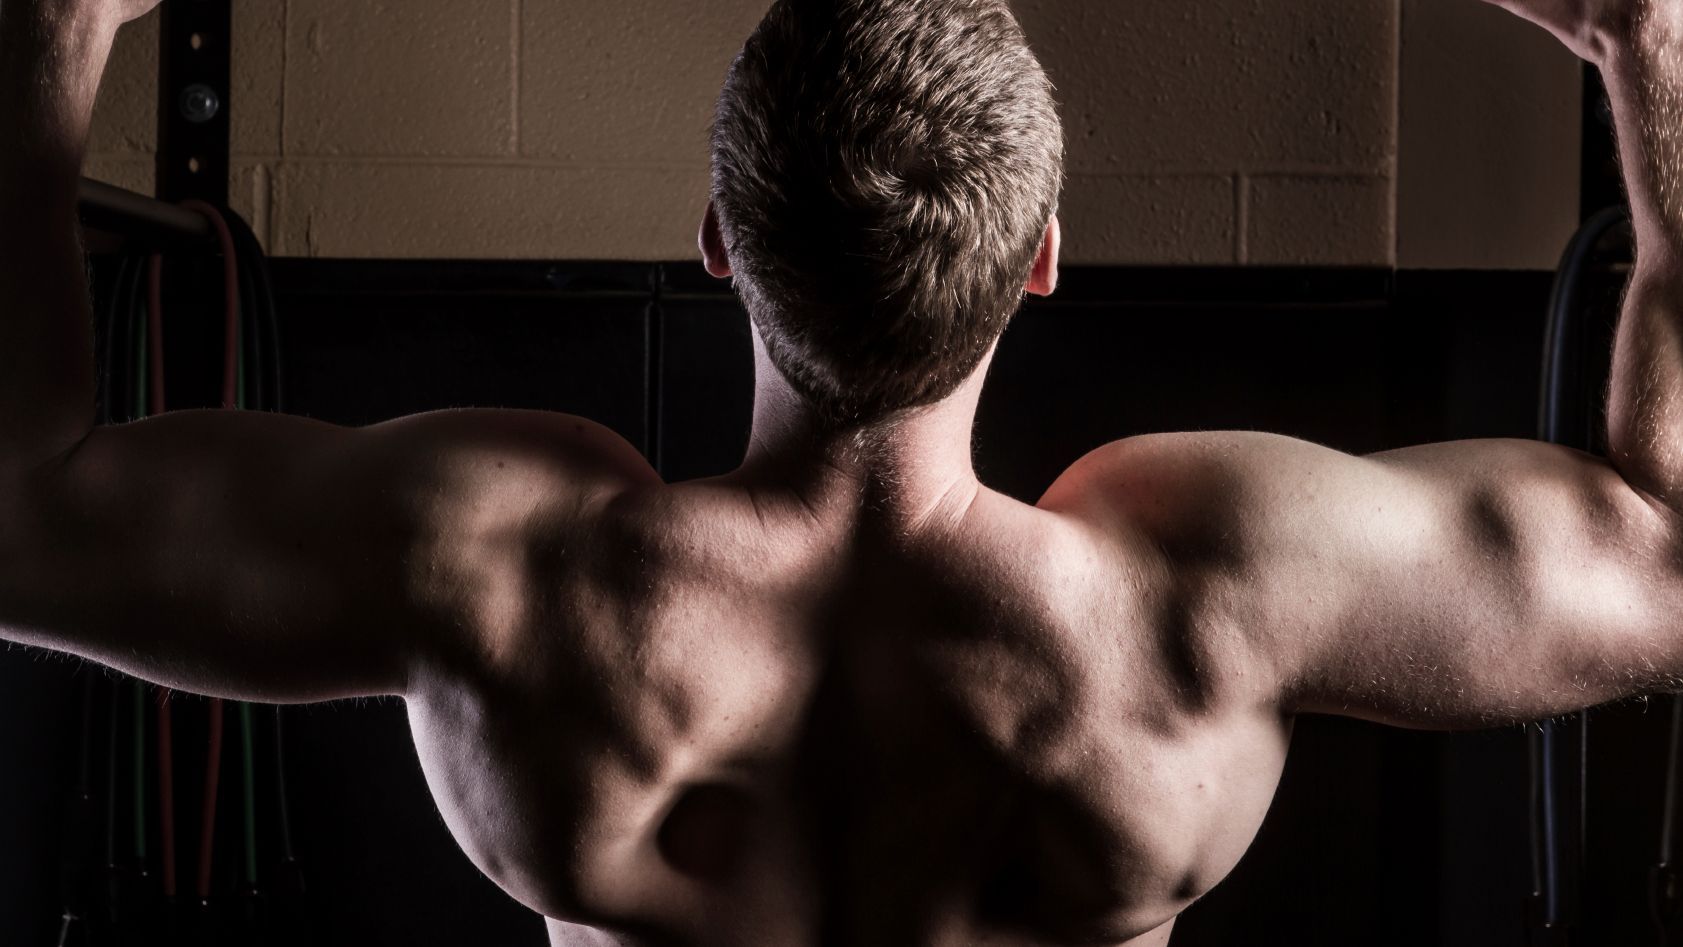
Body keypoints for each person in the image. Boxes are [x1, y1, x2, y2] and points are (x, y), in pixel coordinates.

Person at [0, 0, 1677, 942]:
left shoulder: (515, 578)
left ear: (718, 243)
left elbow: (19, 514)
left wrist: (55, 41)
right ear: (1041, 260)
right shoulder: (1187, 601)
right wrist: (1648, 55)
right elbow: (1665, 552)